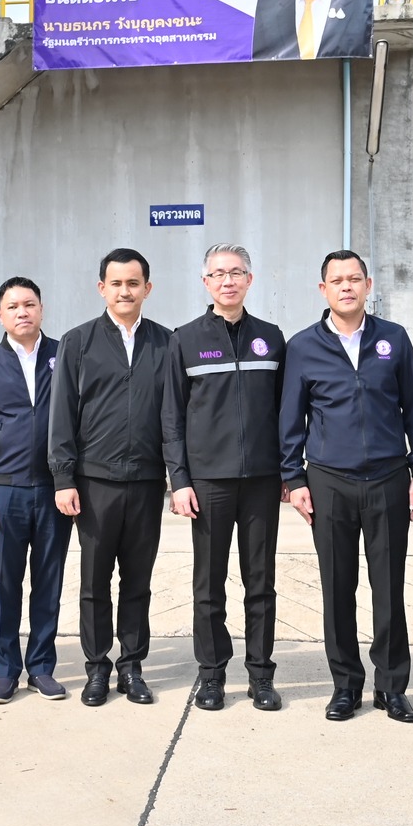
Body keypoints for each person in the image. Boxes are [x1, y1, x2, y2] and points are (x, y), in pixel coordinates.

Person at [282, 250, 413, 723]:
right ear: (323, 289)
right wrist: (293, 478)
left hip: (388, 479)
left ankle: (392, 687)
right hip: (329, 481)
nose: (346, 287)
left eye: (354, 279)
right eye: (337, 280)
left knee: (387, 587)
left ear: (368, 285)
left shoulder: (394, 338)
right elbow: (290, 418)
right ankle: (345, 685)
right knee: (337, 587)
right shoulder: (303, 346)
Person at [51, 248, 179, 707]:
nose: (125, 291)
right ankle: (97, 668)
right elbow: (62, 414)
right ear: (102, 288)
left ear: (148, 288)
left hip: (146, 481)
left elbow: (174, 416)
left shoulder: (167, 343)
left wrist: (177, 476)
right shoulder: (78, 341)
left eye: (133, 283)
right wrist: (63, 478)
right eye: (117, 283)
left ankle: (132, 667)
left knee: (138, 581)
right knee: (94, 582)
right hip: (94, 482)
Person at [167, 243, 287, 713]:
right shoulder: (185, 339)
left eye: (236, 272)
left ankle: (261, 676)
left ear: (249, 280)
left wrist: (288, 472)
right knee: (209, 584)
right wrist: (180, 480)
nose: (227, 281)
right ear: (206, 282)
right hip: (209, 483)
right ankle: (212, 676)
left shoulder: (271, 339)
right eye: (218, 274)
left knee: (261, 583)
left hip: (261, 480)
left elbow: (286, 412)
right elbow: (172, 417)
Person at [0, 277, 70, 703]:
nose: (22, 312)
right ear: (0, 315)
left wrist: (71, 481)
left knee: (49, 581)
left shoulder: (65, 355)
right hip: (6, 491)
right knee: (6, 583)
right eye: (13, 306)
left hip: (54, 490)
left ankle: (41, 668)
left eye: (29, 304)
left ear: (41, 309)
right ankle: (6, 670)